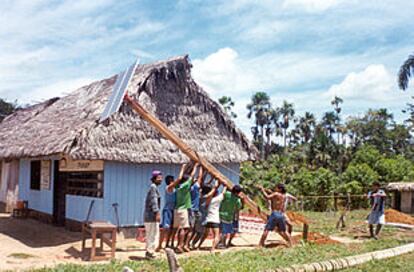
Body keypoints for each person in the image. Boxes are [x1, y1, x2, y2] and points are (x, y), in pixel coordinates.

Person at [167, 163, 198, 253]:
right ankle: (180, 245)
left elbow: (179, 178)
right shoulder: (185, 186)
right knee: (183, 228)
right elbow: (192, 176)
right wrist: (195, 167)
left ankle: (178, 244)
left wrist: (182, 169)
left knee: (179, 228)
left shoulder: (177, 187)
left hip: (177, 209)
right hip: (184, 209)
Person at [197, 181, 227, 252]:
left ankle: (198, 245)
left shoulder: (206, 199)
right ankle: (212, 248)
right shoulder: (217, 199)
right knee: (217, 235)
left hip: (208, 219)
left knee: (205, 234)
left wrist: (217, 185)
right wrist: (225, 186)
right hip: (215, 219)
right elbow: (223, 193)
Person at [144, 170, 162, 259]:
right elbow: (154, 201)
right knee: (152, 234)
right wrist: (157, 213)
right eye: (159, 178)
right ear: (154, 179)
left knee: (151, 234)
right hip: (151, 216)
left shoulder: (154, 187)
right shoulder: (153, 188)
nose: (161, 180)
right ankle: (150, 253)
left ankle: (150, 252)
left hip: (150, 216)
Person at [186, 167, 205, 249]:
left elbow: (200, 178)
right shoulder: (195, 187)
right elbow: (200, 177)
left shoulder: (189, 188)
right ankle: (188, 244)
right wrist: (200, 167)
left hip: (193, 210)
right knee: (194, 229)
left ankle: (189, 244)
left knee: (193, 229)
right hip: (194, 210)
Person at [156, 175, 176, 251]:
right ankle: (160, 245)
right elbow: (179, 180)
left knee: (172, 228)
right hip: (167, 210)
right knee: (165, 228)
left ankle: (168, 244)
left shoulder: (175, 189)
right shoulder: (168, 188)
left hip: (173, 210)